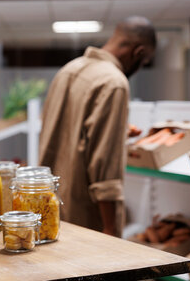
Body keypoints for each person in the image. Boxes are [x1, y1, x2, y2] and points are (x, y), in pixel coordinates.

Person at [38, 16, 156, 237]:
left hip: (49, 210)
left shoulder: (69, 70)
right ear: (138, 52)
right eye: (145, 61)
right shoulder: (114, 82)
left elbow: (66, 133)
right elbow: (104, 164)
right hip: (86, 220)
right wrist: (110, 228)